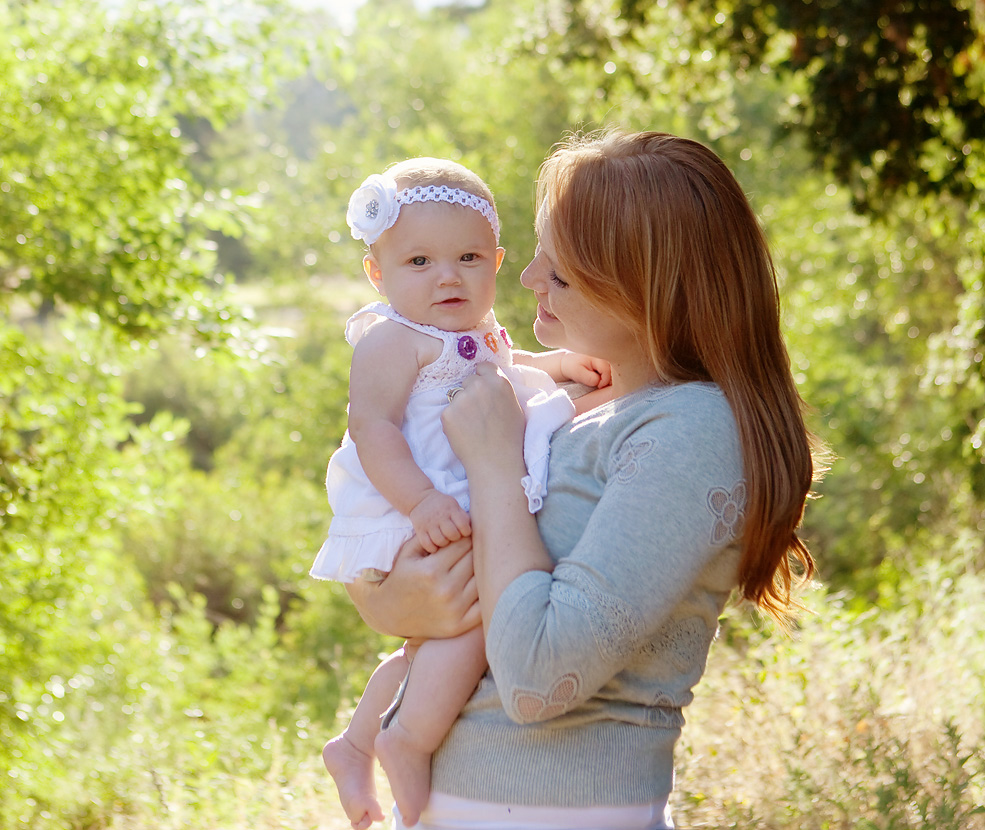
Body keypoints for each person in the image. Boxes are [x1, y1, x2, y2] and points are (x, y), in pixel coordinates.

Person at [346, 130, 824, 830]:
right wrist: (387, 602)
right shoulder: (570, 408)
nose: (527, 278)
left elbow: (539, 678)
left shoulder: (692, 431)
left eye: (561, 273)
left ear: (645, 292)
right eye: (539, 252)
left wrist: (492, 466)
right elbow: (435, 582)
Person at [313, 157, 611, 830]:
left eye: (468, 257)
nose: (447, 276)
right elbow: (371, 428)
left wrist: (556, 364)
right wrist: (419, 503)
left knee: (437, 645)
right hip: (412, 502)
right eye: (418, 261)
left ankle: (355, 743)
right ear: (377, 272)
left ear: (497, 261)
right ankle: (404, 740)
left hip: (458, 492)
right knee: (477, 621)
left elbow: (510, 365)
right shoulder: (393, 340)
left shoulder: (475, 332)